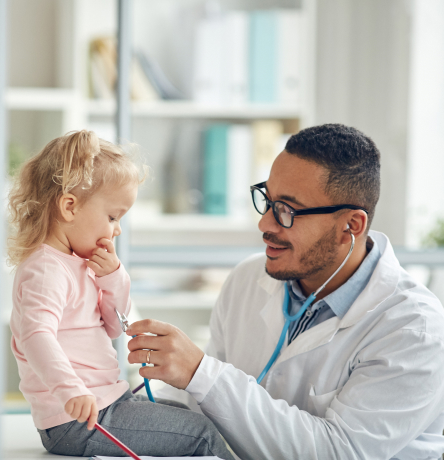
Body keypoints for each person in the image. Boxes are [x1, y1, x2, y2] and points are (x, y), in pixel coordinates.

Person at [126, 124, 444, 460]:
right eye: (268, 200)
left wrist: (200, 372)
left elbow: (338, 452)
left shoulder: (413, 329)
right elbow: (201, 412)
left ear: (350, 226)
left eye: (288, 211)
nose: (265, 224)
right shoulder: (248, 279)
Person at [7, 130, 234, 459]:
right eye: (112, 217)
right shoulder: (46, 270)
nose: (117, 229)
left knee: (198, 415)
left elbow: (115, 326)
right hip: (78, 419)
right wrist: (70, 390)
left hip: (107, 403)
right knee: (201, 434)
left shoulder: (78, 264)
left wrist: (113, 277)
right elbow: (35, 336)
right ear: (69, 206)